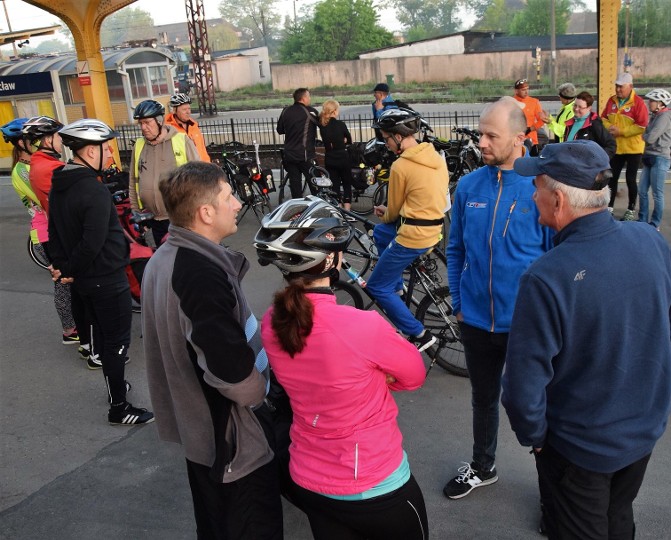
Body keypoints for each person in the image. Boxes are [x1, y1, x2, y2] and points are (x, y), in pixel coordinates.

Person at [502, 140, 671, 539]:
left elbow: (523, 385)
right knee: (619, 516)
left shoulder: (547, 277)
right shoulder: (650, 240)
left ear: (557, 200)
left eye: (535, 186)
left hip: (578, 446)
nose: (532, 196)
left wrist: (536, 439)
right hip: (643, 432)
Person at [257, 200, 429, 540]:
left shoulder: (271, 322)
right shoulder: (362, 325)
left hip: (310, 481)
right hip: (376, 486)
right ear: (332, 259)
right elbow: (414, 375)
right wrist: (376, 378)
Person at [142, 161, 283, 539]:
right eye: (229, 196)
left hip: (203, 435)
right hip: (231, 441)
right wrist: (260, 397)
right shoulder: (199, 273)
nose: (237, 204)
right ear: (205, 213)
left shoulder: (166, 256)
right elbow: (232, 374)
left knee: (215, 522)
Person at [443, 96, 553, 501]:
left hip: (526, 326)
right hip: (475, 321)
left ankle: (552, 491)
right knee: (483, 400)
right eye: (479, 134)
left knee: (539, 408)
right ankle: (483, 466)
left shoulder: (542, 189)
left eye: (491, 136)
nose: (481, 143)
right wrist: (458, 301)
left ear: (521, 138)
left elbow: (558, 261)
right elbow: (455, 250)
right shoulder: (469, 186)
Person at [47, 119, 154, 424]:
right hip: (106, 279)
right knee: (116, 343)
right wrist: (69, 269)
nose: (108, 153)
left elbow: (54, 233)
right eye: (104, 147)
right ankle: (119, 408)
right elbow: (92, 243)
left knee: (105, 340)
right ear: (90, 150)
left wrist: (63, 267)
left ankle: (115, 387)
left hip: (85, 282)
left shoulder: (60, 185)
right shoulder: (94, 192)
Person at [367, 107, 449, 351]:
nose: (386, 143)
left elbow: (393, 211)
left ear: (399, 136)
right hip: (434, 230)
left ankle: (419, 334)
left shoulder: (401, 166)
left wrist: (384, 211)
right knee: (381, 234)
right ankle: (397, 286)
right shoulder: (436, 157)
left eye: (386, 137)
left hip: (413, 235)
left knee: (376, 286)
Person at [4, 118, 79, 346]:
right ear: (20, 144)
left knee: (69, 280)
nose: (34, 142)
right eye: (29, 139)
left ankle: (77, 324)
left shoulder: (34, 165)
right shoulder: (22, 171)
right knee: (63, 282)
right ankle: (69, 330)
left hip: (54, 229)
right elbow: (45, 197)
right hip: (45, 233)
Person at [129, 99, 201, 247]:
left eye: (147, 122)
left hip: (180, 219)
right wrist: (136, 210)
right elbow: (133, 180)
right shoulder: (139, 145)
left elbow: (199, 178)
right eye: (141, 123)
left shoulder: (181, 140)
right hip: (152, 219)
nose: (143, 127)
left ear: (159, 121)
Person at [601, 72, 649, 221]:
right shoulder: (612, 101)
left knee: (630, 179)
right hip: (617, 147)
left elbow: (641, 126)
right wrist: (610, 128)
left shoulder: (638, 103)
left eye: (621, 87)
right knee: (611, 178)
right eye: (616, 86)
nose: (618, 89)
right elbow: (603, 118)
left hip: (633, 148)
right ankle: (609, 207)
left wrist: (621, 131)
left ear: (630, 87)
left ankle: (630, 208)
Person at [638, 88, 671, 229]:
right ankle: (642, 220)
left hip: (660, 158)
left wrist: (645, 136)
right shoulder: (655, 116)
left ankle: (654, 224)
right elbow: (647, 135)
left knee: (657, 194)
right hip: (650, 156)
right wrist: (646, 136)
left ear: (661, 103)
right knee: (642, 191)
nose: (649, 103)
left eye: (653, 100)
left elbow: (650, 137)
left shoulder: (664, 117)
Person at [276, 87, 319, 201]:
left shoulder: (285, 111)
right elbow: (322, 125)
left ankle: (297, 209)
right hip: (305, 155)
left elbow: (280, 130)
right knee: (315, 183)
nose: (309, 98)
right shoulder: (310, 111)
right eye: (308, 96)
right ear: (303, 98)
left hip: (289, 154)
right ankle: (317, 206)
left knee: (295, 185)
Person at [23, 115, 65, 214]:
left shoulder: (38, 164)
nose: (61, 140)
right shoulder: (52, 168)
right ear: (48, 140)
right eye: (58, 136)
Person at [318, 99, 354, 210]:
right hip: (342, 157)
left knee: (335, 185)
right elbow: (349, 140)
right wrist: (343, 140)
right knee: (347, 183)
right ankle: (347, 209)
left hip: (330, 158)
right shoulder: (341, 124)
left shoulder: (323, 126)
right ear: (334, 111)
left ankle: (338, 208)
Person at [561, 91, 617, 157]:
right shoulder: (570, 124)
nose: (576, 109)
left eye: (580, 107)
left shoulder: (595, 124)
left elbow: (611, 145)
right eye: (575, 105)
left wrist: (597, 159)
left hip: (587, 166)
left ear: (589, 108)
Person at [165, 92, 211, 163]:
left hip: (202, 169)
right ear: (174, 110)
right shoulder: (168, 129)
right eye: (184, 109)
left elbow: (202, 150)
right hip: (184, 171)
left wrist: (208, 165)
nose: (188, 112)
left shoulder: (194, 126)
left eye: (189, 109)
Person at [512, 78, 548, 149]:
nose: (526, 92)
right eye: (523, 90)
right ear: (516, 91)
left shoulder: (534, 102)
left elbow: (541, 120)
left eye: (527, 89)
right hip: (515, 139)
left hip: (531, 139)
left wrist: (530, 129)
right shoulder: (511, 102)